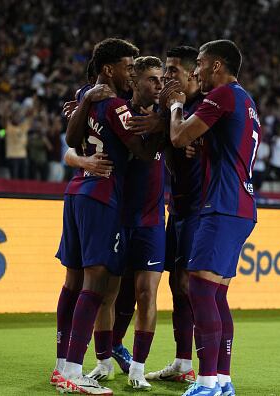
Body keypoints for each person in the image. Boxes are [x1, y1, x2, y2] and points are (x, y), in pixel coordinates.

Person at [52, 38, 162, 395]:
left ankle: (61, 364)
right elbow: (143, 153)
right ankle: (71, 370)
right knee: (95, 287)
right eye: (127, 67)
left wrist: (83, 105)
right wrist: (164, 130)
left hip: (76, 192)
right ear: (107, 70)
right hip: (102, 197)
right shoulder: (116, 107)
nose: (131, 73)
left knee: (72, 283)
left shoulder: (86, 96)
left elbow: (70, 140)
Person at [165, 39, 261, 396]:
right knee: (216, 296)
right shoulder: (247, 102)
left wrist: (176, 106)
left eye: (200, 64)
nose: (196, 72)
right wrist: (200, 144)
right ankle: (221, 381)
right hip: (240, 206)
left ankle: (205, 382)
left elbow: (176, 136)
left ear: (217, 66)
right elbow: (225, 146)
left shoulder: (221, 95)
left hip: (221, 205)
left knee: (200, 290)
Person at [84, 56, 165, 391]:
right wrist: (82, 103)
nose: (158, 86)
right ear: (135, 82)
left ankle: (138, 368)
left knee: (147, 294)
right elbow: (79, 143)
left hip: (151, 221)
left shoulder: (170, 119)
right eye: (152, 80)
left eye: (162, 80)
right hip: (117, 216)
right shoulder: (118, 114)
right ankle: (103, 361)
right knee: (108, 295)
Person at [130, 45, 202, 384]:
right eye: (165, 71)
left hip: (203, 208)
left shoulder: (202, 105)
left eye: (173, 70)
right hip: (179, 207)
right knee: (176, 283)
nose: (167, 77)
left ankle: (205, 369)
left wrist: (190, 140)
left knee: (192, 285)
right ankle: (182, 362)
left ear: (192, 75)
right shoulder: (169, 106)